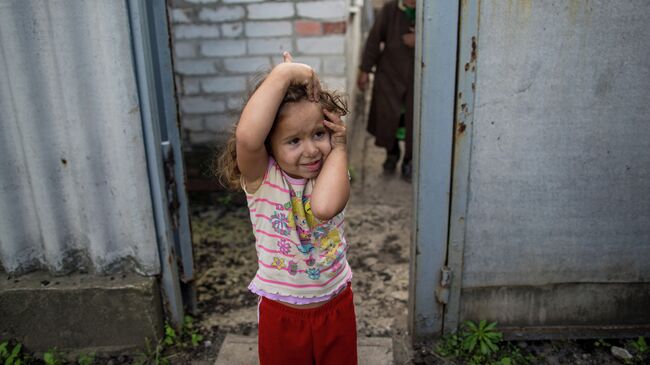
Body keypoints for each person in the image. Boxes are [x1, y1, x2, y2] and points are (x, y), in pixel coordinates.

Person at [217, 52, 357, 365]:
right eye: (293, 141)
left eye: (318, 134)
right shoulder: (262, 177)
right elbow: (247, 137)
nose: (310, 150)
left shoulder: (332, 170)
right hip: (281, 312)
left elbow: (323, 207)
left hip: (335, 306)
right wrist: (285, 74)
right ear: (269, 144)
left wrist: (340, 148)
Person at [358, 0, 416, 180]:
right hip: (389, 77)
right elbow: (374, 40)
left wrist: (421, 39)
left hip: (418, 80)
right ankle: (392, 154)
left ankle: (409, 160)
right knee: (389, 118)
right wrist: (365, 69)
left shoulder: (430, 11)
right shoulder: (390, 9)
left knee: (412, 122)